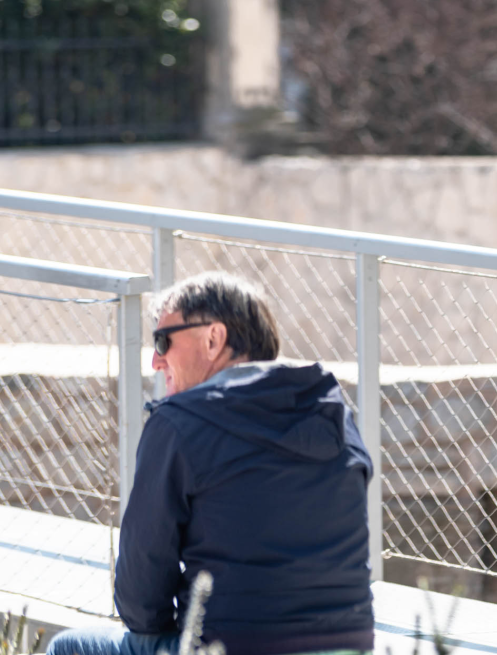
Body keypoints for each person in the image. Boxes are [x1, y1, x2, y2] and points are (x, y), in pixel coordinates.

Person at [47, 272, 374, 655]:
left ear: (214, 338)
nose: (155, 360)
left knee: (68, 647)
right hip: (347, 649)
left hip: (228, 649)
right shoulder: (334, 414)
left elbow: (141, 601)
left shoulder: (180, 424)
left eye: (162, 341)